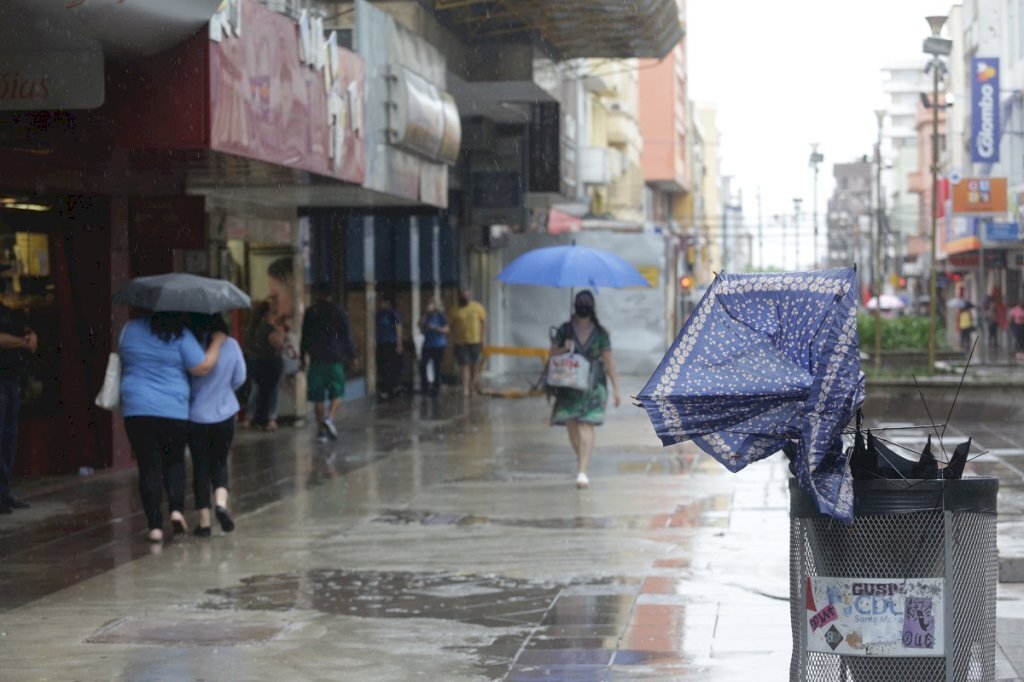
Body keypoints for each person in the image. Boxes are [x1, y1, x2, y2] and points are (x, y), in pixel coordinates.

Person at [119, 310, 225, 543]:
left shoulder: (129, 330)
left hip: (137, 409)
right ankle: (176, 510)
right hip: (172, 410)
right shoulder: (179, 334)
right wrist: (217, 341)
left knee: (148, 466)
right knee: (174, 461)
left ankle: (155, 527)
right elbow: (202, 367)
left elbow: (124, 358)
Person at [548, 290, 622, 489]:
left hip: (593, 385)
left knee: (585, 425)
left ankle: (582, 470)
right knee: (572, 425)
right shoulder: (565, 330)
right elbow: (552, 353)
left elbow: (609, 362)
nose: (583, 306)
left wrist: (616, 389)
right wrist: (565, 348)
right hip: (569, 386)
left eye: (586, 303)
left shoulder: (601, 334)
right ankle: (582, 458)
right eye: (580, 302)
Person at [186, 314, 246, 537]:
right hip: (225, 414)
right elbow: (240, 378)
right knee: (220, 461)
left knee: (200, 467)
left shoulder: (191, 348)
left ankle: (204, 523)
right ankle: (221, 504)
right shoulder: (231, 345)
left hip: (197, 416)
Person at [300, 283, 357, 443]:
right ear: (331, 295)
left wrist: (302, 358)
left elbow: (304, 337)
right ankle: (330, 418)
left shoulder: (311, 312)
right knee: (337, 393)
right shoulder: (339, 311)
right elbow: (347, 336)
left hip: (316, 359)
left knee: (318, 398)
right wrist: (352, 356)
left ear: (317, 294)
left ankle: (320, 432)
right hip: (334, 359)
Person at [0, 294, 36, 514]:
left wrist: (32, 336)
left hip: (11, 380)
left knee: (8, 440)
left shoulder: (7, 310)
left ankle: (5, 492)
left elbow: (27, 330)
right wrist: (22, 342)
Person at [245, 301, 284, 431]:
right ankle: (269, 420)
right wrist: (280, 331)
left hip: (255, 362)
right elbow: (278, 344)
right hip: (269, 363)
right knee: (271, 391)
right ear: (267, 312)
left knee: (257, 391)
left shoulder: (252, 327)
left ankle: (251, 418)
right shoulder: (268, 328)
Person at [450, 288, 487, 397]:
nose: (465, 298)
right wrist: (451, 340)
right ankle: (466, 389)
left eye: (467, 296)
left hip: (475, 341)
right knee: (465, 365)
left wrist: (482, 338)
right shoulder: (455, 309)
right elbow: (451, 325)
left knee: (474, 365)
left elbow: (484, 322)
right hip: (460, 342)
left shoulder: (477, 307)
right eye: (463, 296)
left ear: (470, 296)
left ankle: (472, 386)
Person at [418, 297, 449, 397]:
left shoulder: (440, 316)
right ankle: (425, 386)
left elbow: (446, 329)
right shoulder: (426, 316)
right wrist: (424, 316)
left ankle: (436, 387)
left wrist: (435, 328)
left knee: (437, 366)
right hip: (427, 344)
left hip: (438, 344)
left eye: (430, 305)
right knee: (423, 364)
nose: (428, 307)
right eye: (427, 305)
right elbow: (419, 325)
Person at [375, 295, 403, 400]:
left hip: (391, 343)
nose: (381, 304)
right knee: (382, 367)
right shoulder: (379, 314)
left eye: (384, 302)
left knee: (390, 368)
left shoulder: (393, 314)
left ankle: (390, 391)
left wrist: (399, 344)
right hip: (381, 343)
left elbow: (398, 328)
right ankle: (386, 389)